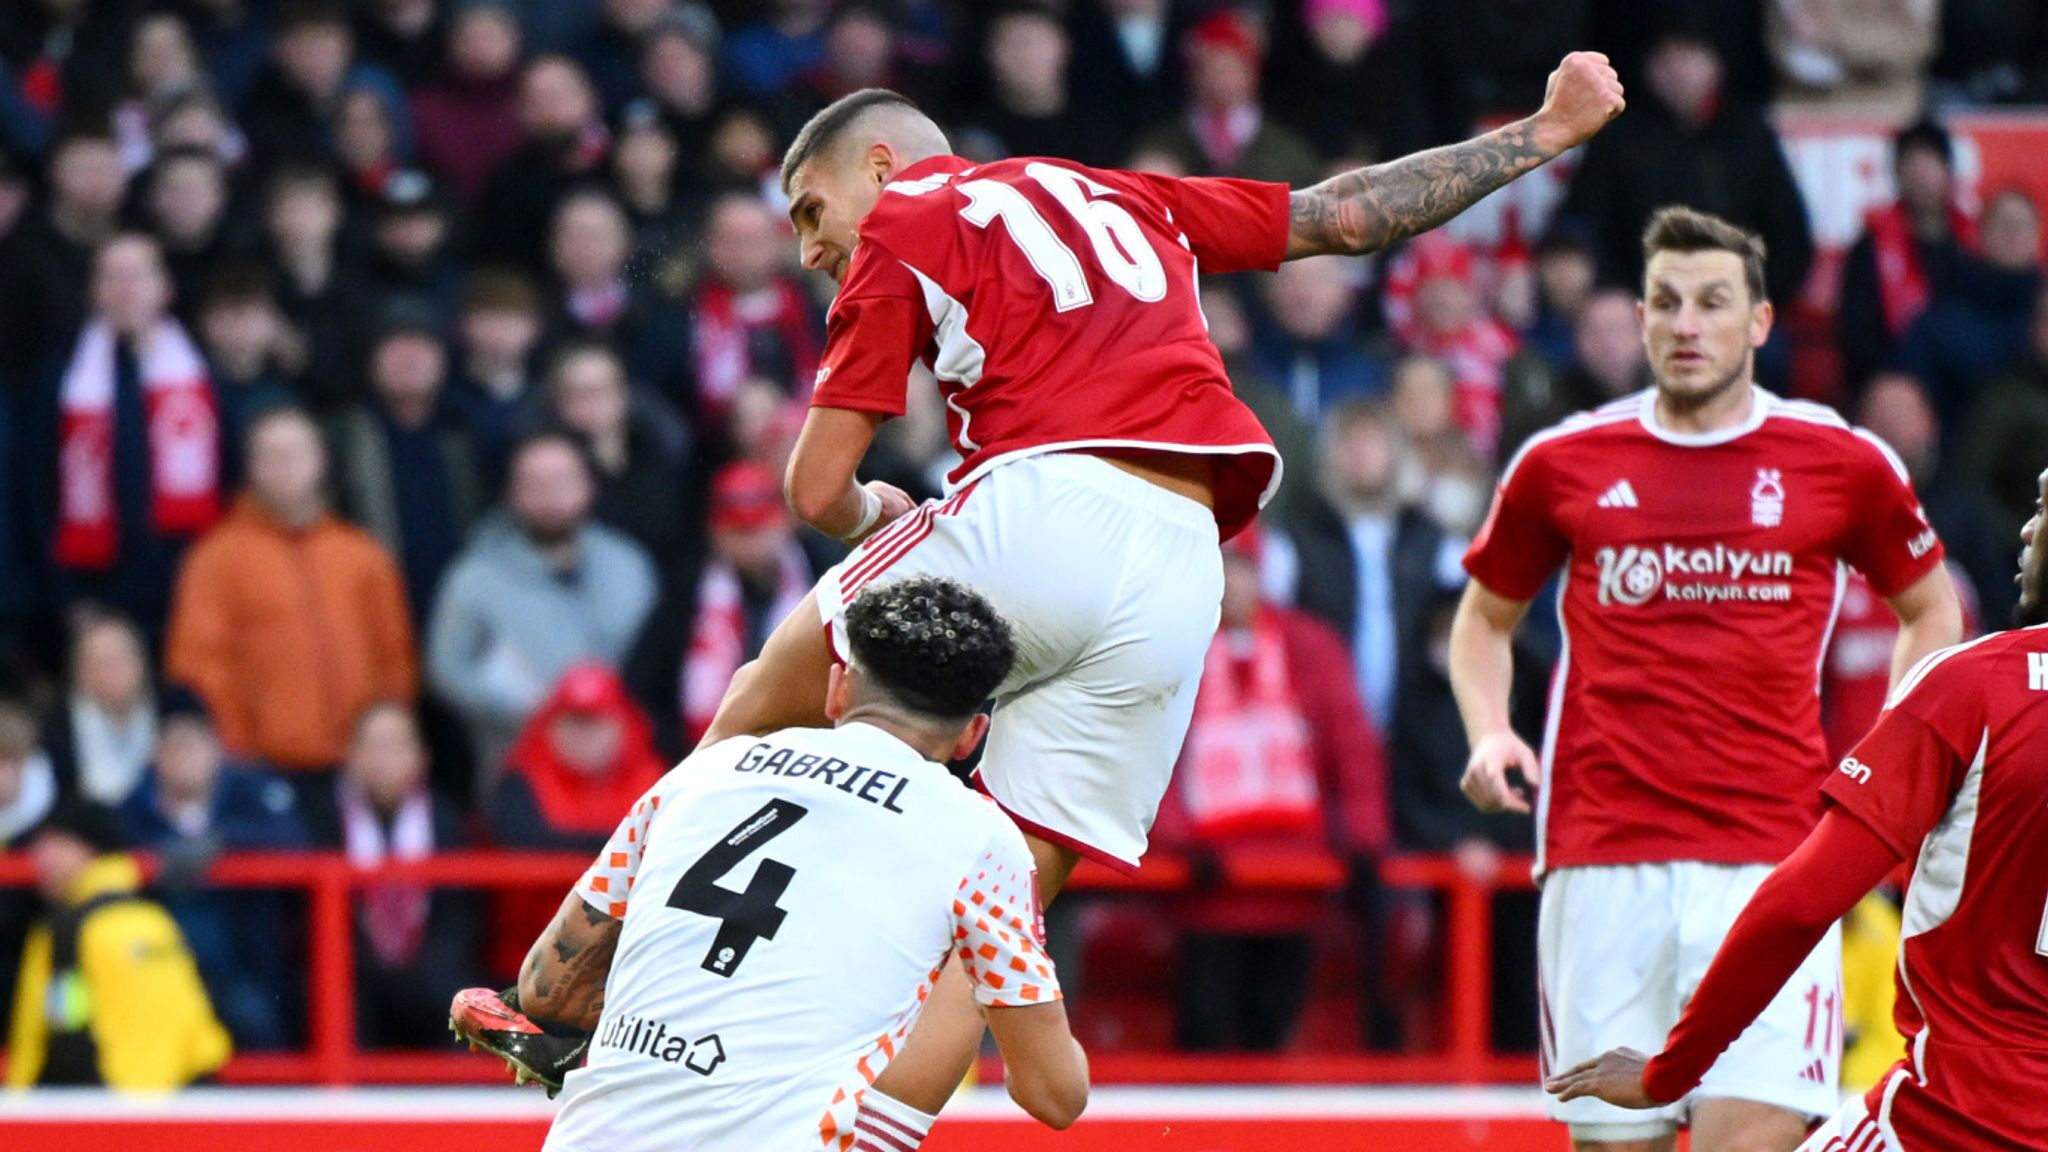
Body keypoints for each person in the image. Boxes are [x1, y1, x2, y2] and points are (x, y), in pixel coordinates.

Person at [687, 55, 1623, 1143]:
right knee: (986, 930)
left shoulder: (907, 216)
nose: (808, 247)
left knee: (770, 691)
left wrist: (875, 515)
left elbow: (810, 487)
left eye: (811, 209)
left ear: (882, 165)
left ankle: (578, 975)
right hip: (1182, 566)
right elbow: (1348, 217)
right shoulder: (1127, 195)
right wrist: (1543, 132)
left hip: (1039, 503)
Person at [1452, 206, 1964, 1152]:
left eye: (1713, 303)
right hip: (1603, 861)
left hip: (1773, 865)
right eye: (1667, 302)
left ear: (1761, 323)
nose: (1687, 324)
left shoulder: (1841, 463)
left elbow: (1932, 609)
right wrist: (1490, 730)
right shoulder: (1562, 464)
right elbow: (1483, 621)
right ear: (1641, 320)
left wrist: (1890, 764)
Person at [453, 576, 1088, 1147]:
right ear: (973, 735)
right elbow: (1053, 1097)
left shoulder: (706, 771)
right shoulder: (981, 839)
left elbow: (545, 992)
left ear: (838, 688)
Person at [1546, 462, 2048, 1152]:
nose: (2027, 530)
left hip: (1957, 1119)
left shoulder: (1975, 690)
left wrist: (1673, 1070)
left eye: (2044, 509)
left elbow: (1800, 903)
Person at [1151, 529, 1387, 1052]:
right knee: (1204, 1035)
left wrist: (1360, 837)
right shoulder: (1171, 648)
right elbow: (1149, 754)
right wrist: (1178, 839)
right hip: (1207, 886)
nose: (1232, 582)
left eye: (1243, 568)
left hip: (1296, 880)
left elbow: (1352, 746)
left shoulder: (1312, 647)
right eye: (1222, 567)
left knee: (1274, 1032)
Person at [165, 406, 417, 793]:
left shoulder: (362, 555)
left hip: (359, 772)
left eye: (295, 453)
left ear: (319, 461)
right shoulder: (215, 559)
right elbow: (199, 667)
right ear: (251, 467)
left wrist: (384, 746)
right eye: (270, 455)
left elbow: (394, 655)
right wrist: (240, 750)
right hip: (261, 770)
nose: (284, 466)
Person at [426, 430, 658, 785]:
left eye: (562, 481)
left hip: (628, 774)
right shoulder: (475, 578)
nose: (549, 495)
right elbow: (447, 670)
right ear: (511, 493)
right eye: (534, 483)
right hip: (518, 773)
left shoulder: (629, 565)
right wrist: (538, 716)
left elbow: (659, 665)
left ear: (589, 485)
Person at [118, 686, 307, 1051]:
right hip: (157, 968)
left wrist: (221, 843)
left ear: (216, 749)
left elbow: (296, 841)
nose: (186, 757)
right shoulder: (132, 810)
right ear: (155, 754)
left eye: (195, 744)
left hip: (243, 968)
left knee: (256, 1019)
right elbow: (111, 856)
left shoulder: (251, 793)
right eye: (175, 746)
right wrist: (159, 855)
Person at [4, 798, 231, 1090]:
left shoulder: (66, 930)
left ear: (83, 848)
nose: (39, 859)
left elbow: (63, 1022)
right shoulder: (156, 921)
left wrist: (20, 1101)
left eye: (51, 845)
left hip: (108, 1106)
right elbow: (199, 1032)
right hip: (179, 1098)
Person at [308, 701, 483, 1048]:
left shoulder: (447, 822)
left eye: (395, 746)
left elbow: (459, 919)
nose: (383, 760)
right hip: (355, 972)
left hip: (429, 971)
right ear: (351, 756)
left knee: (455, 1000)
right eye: (372, 746)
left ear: (421, 757)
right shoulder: (322, 821)